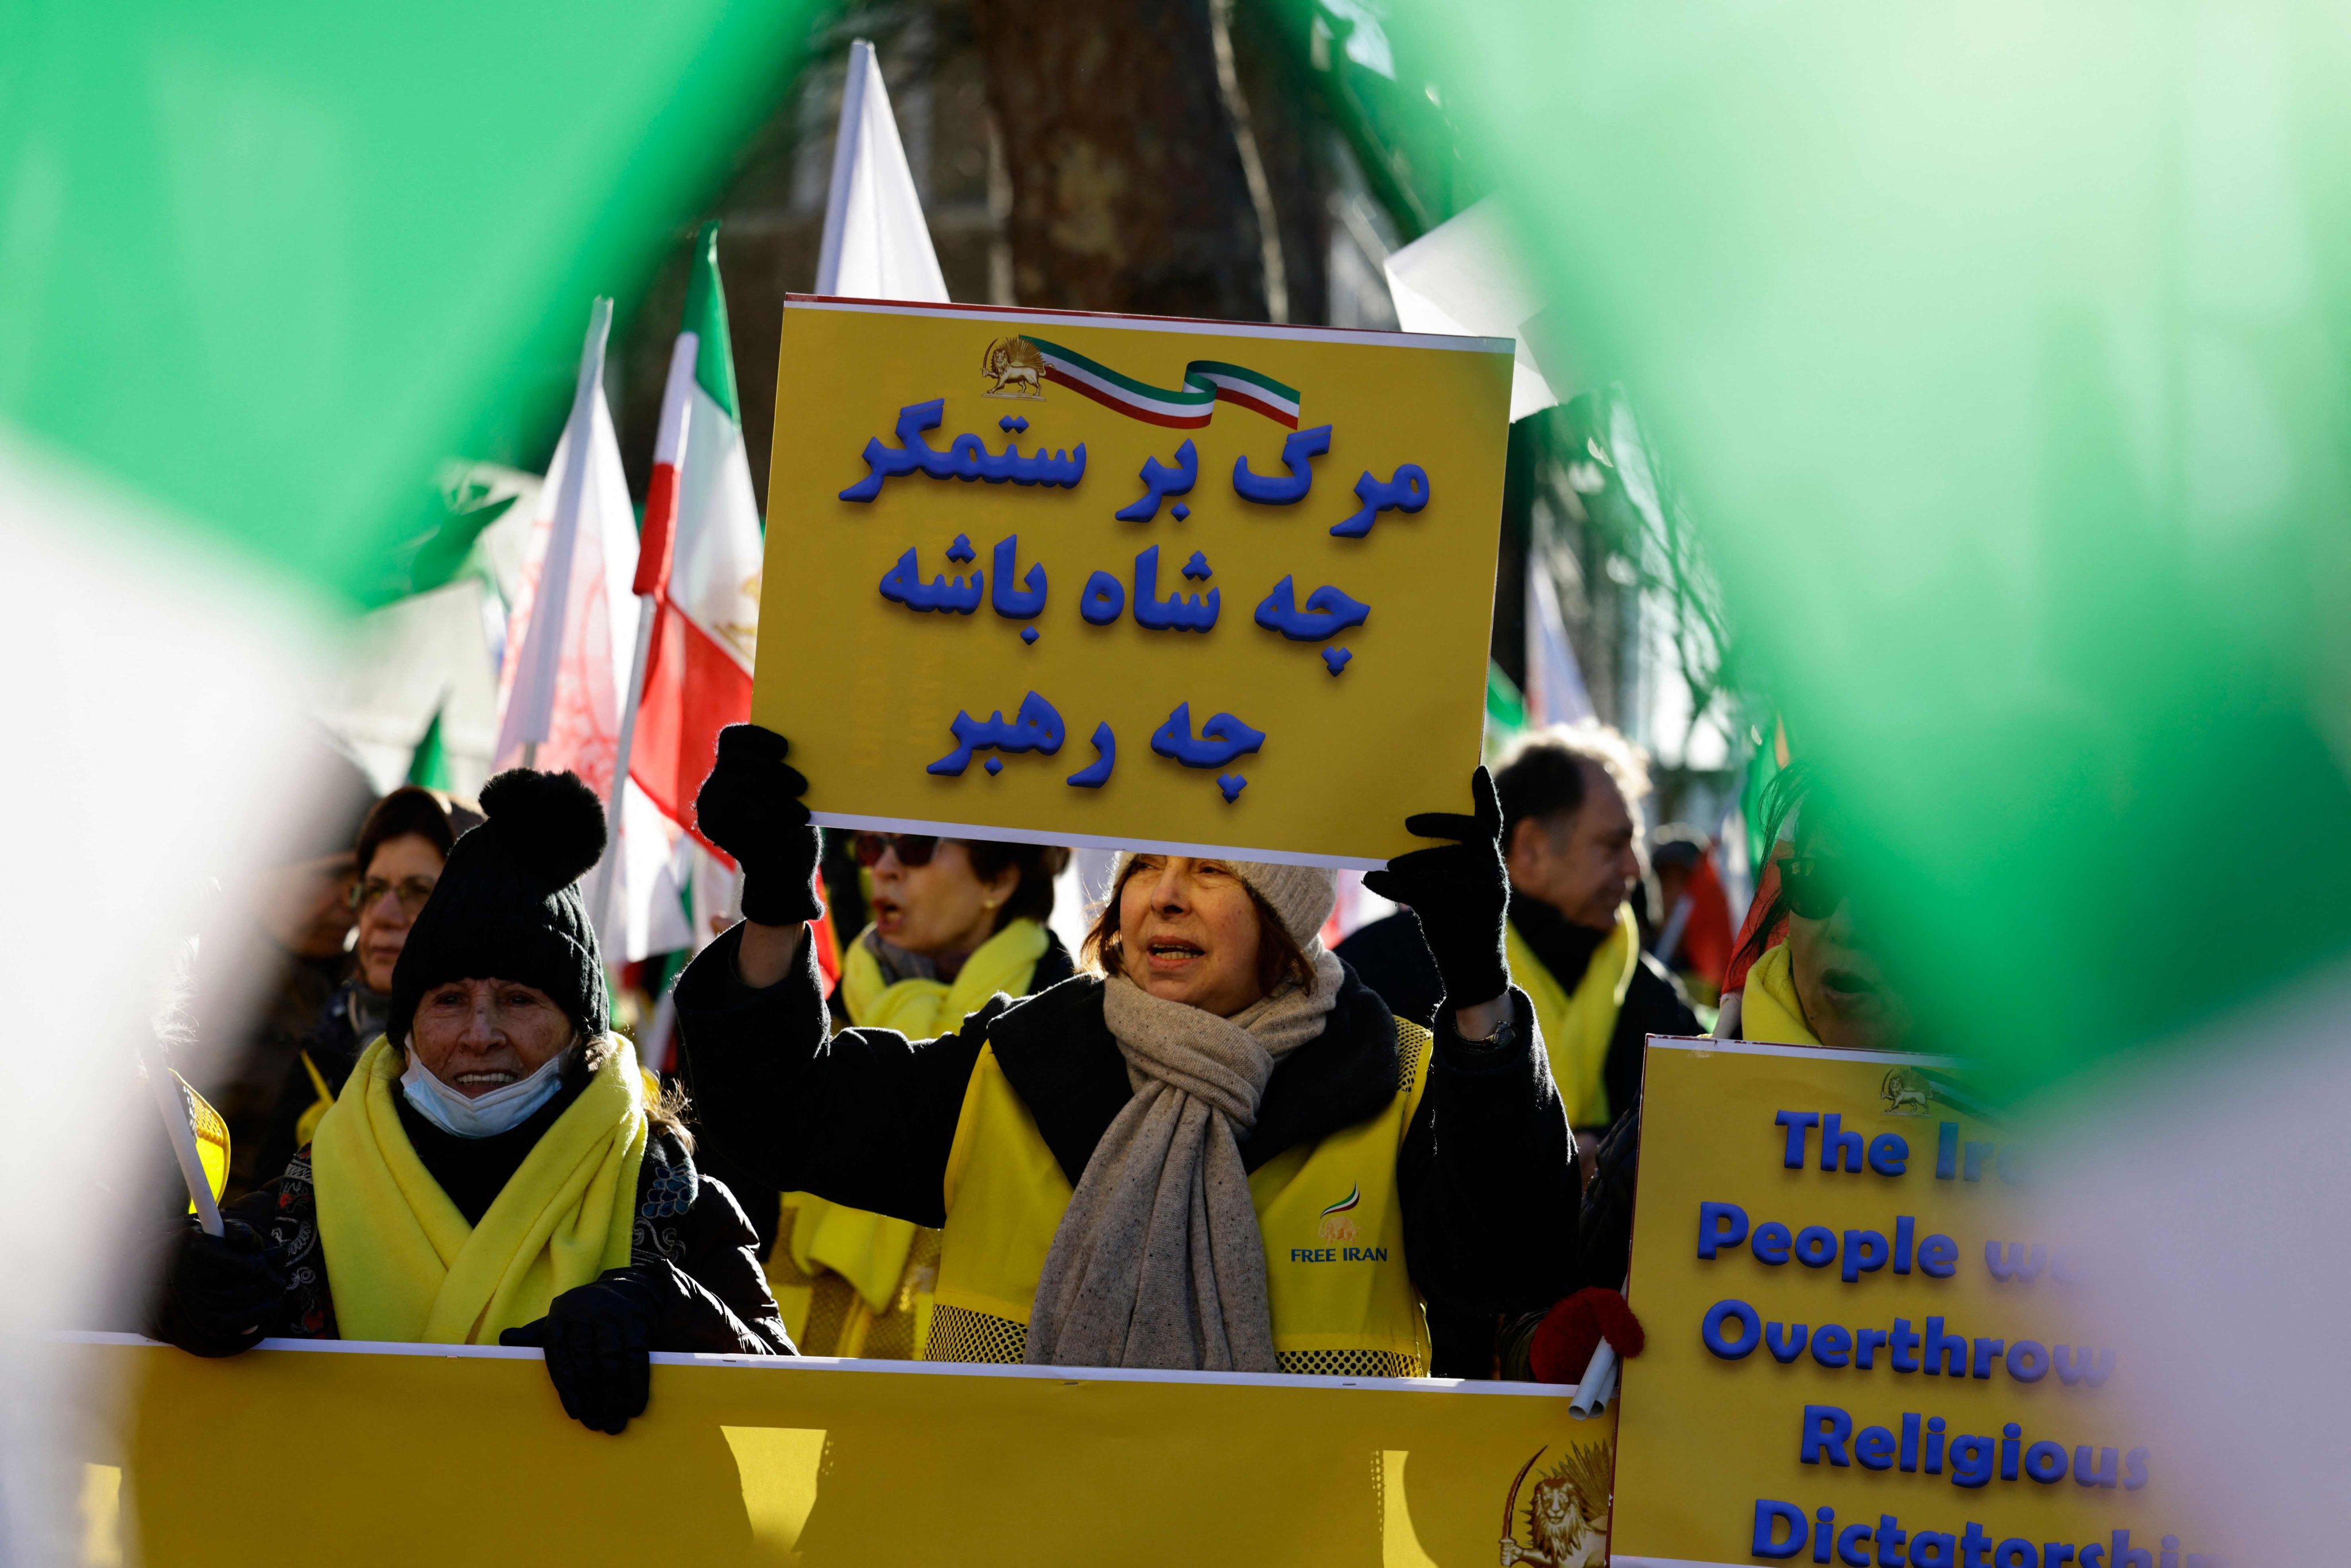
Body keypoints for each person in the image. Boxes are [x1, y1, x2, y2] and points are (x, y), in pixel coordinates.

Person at [674, 725, 1574, 1376]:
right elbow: (775, 1113)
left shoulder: (1400, 1081)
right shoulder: (1017, 1061)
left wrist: (1478, 988)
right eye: (1144, 865)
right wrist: (776, 902)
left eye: (1214, 868)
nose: (1165, 899)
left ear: (1291, 912)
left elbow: (1512, 1261)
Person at [153, 769, 790, 1433]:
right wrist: (174, 1286)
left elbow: (787, 1403)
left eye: (519, 999)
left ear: (580, 1030)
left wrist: (672, 1306)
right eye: (449, 1000)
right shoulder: (306, 1196)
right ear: (406, 1031)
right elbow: (110, 1315)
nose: (480, 1034)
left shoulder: (674, 1197)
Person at [765, 830, 1074, 1359]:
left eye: (914, 847)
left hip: (945, 1418)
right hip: (781, 1400)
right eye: (870, 847)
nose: (882, 868)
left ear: (999, 879)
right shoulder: (805, 1019)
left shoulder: (1067, 1050)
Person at [253, 786, 479, 1185]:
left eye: (419, 892)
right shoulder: (328, 1043)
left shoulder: (497, 1071)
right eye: (374, 891)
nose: (383, 915)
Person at [190, 733, 377, 1200]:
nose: (353, 904)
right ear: (256, 868)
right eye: (335, 876)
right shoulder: (184, 998)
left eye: (364, 883)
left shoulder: (366, 995)